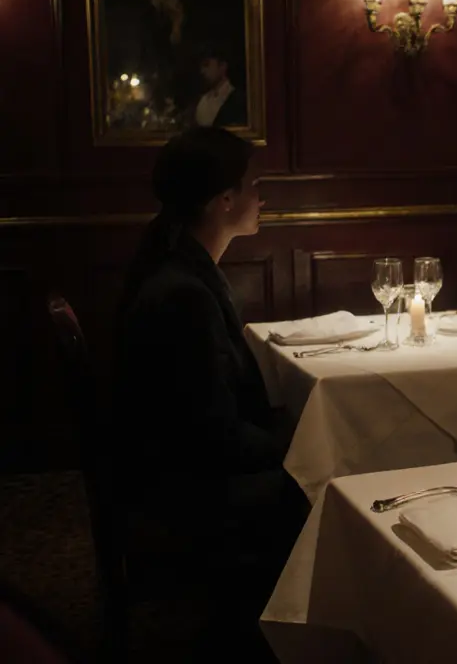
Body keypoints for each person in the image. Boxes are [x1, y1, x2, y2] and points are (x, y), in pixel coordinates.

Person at [114, 127, 302, 661]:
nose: (261, 197)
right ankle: (278, 637)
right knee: (327, 484)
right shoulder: (182, 295)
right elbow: (214, 437)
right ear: (224, 200)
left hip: (173, 469)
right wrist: (302, 446)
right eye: (254, 185)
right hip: (184, 493)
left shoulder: (177, 266)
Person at [191, 45, 247, 127]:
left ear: (222, 66)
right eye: (201, 67)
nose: (202, 71)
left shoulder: (239, 100)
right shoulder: (202, 101)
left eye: (206, 65)